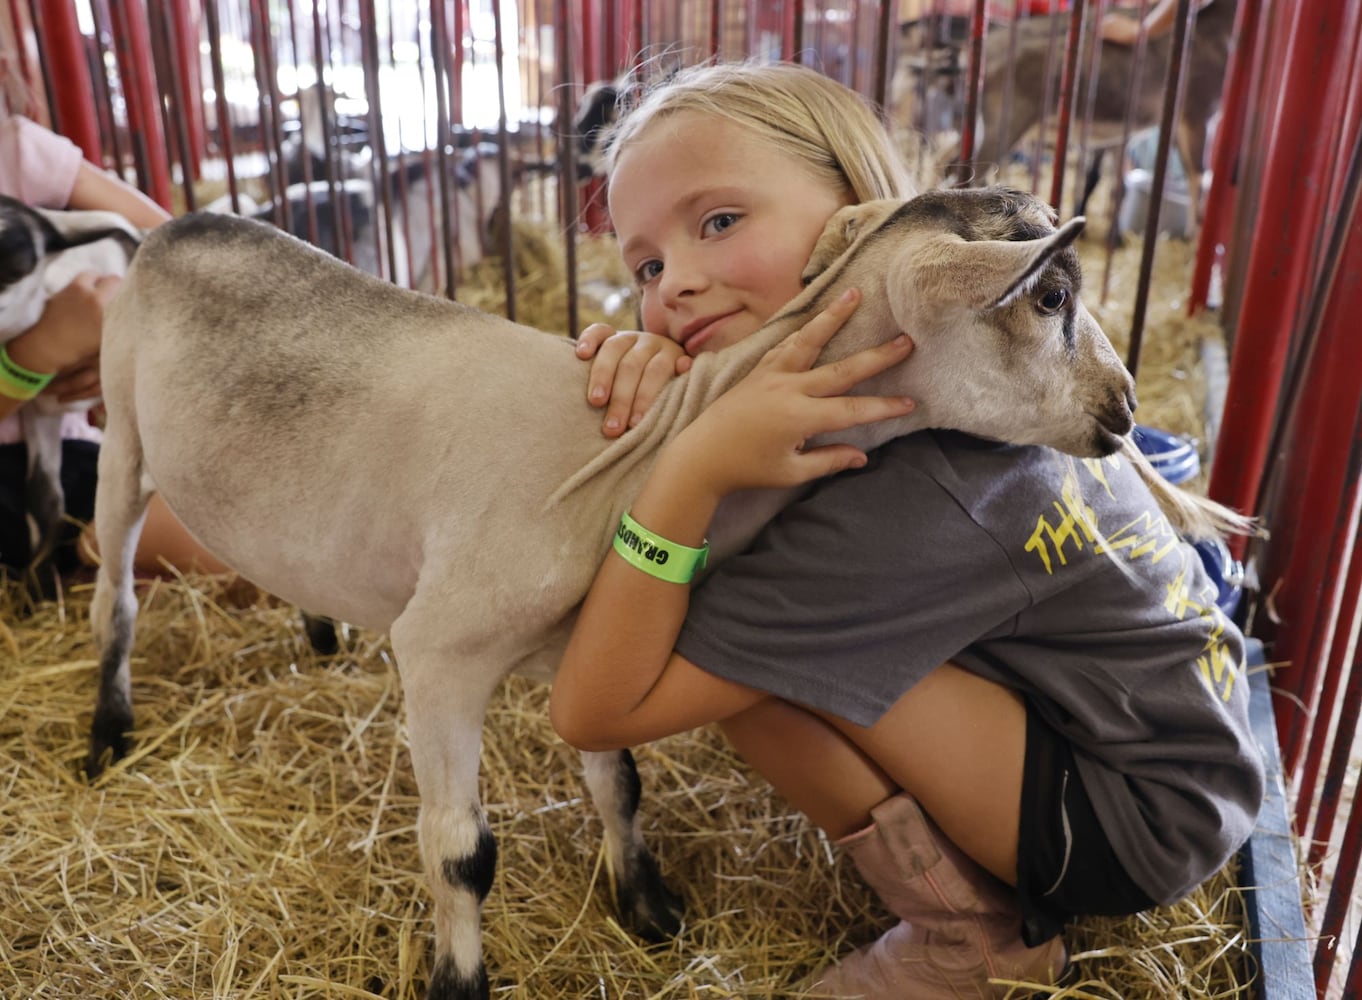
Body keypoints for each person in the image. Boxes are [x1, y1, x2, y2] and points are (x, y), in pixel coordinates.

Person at [549, 61, 1265, 999]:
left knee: (736, 651)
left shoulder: (930, 487)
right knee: (769, 620)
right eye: (645, 266)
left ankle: (972, 944)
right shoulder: (951, 385)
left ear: (854, 221)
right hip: (1165, 740)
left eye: (719, 222)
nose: (674, 285)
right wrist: (675, 389)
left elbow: (594, 710)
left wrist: (690, 467)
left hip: (1132, 818)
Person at [0, 109, 236, 585]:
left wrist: (115, 347)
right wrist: (36, 357)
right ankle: (86, 569)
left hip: (72, 455)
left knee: (258, 556)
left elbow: (181, 253)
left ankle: (91, 560)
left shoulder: (16, 146)